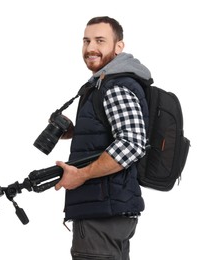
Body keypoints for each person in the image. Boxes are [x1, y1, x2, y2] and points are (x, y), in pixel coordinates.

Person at [55, 16, 152, 260]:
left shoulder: (115, 85)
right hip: (109, 209)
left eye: (100, 40)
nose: (90, 48)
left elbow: (132, 143)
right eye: (86, 41)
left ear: (119, 47)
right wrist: (76, 132)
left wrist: (81, 175)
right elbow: (115, 134)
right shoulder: (104, 82)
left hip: (102, 213)